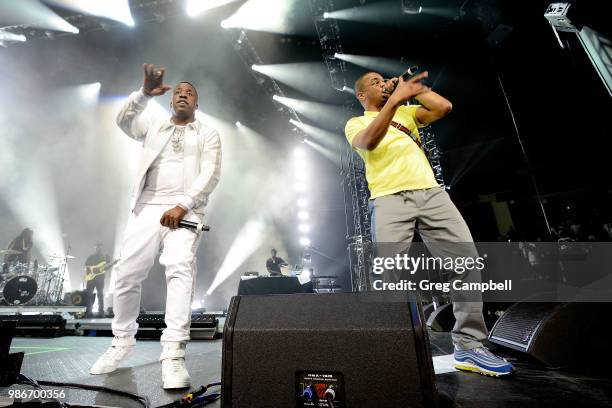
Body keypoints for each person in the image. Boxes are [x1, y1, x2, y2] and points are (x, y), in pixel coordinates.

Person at [344, 71, 513, 376]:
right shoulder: (356, 123)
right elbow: (368, 143)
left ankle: (469, 346)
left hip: (431, 193)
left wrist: (413, 88)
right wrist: (394, 100)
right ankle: (397, 347)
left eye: (384, 80)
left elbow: (443, 107)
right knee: (391, 272)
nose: (382, 84)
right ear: (361, 95)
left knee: (467, 261)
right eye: (375, 83)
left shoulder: (407, 112)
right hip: (387, 198)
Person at [89, 64, 222, 389]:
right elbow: (122, 121)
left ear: (196, 103)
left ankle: (173, 355)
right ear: (171, 99)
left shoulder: (207, 133)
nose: (182, 95)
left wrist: (184, 204)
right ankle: (121, 343)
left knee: (179, 269)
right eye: (178, 92)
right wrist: (144, 93)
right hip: (147, 206)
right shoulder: (155, 127)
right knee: (126, 273)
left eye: (189, 93)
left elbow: (211, 173)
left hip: (184, 208)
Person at [83, 243, 111, 317]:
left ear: (102, 248)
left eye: (100, 247)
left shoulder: (106, 256)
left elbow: (107, 267)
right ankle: (88, 312)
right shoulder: (91, 256)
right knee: (89, 295)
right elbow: (86, 266)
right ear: (95, 247)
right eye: (97, 247)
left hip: (100, 278)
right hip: (91, 278)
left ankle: (101, 312)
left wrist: (112, 263)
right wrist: (91, 272)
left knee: (100, 295)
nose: (98, 248)